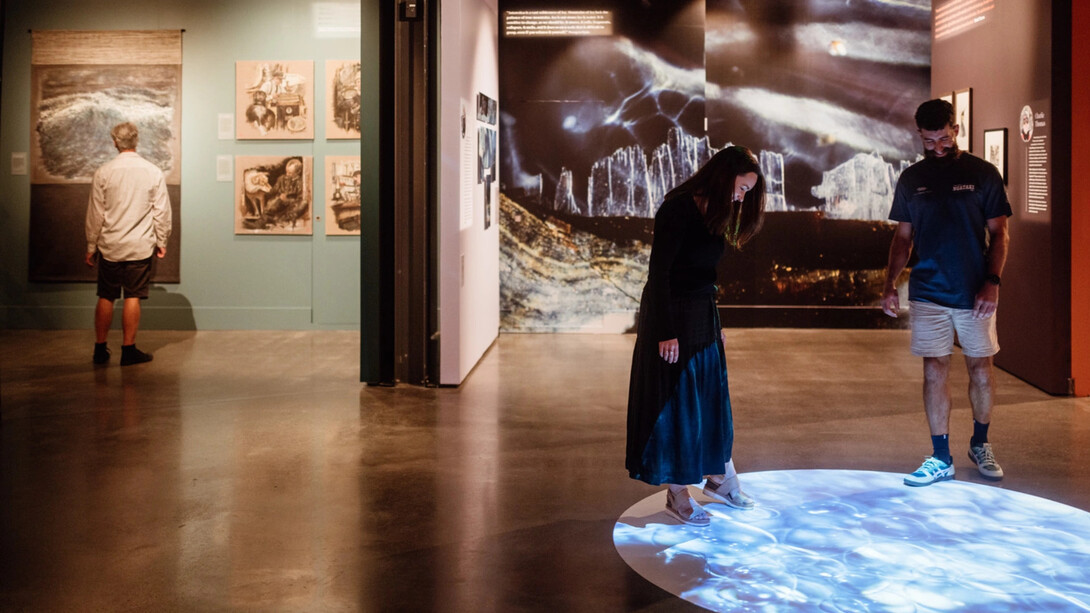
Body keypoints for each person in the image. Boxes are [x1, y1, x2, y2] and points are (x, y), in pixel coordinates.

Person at [625, 145, 766, 526]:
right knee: (678, 407)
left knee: (709, 400)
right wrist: (665, 332)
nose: (741, 197)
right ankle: (678, 494)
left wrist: (714, 325)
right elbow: (661, 275)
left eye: (747, 192)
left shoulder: (718, 212)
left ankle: (719, 478)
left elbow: (706, 277)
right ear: (725, 176)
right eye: (741, 188)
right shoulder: (679, 208)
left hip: (702, 314)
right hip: (672, 315)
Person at [881, 99, 1011, 487]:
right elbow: (903, 238)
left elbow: (1001, 233)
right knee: (934, 370)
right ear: (919, 136)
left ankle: (980, 443)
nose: (937, 146)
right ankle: (940, 456)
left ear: (956, 129)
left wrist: (992, 282)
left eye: (943, 138)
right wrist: (889, 284)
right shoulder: (911, 180)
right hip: (928, 291)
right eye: (929, 140)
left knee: (981, 371)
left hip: (975, 292)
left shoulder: (983, 174)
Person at [85, 122, 172, 366]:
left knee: (106, 295)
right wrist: (161, 239)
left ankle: (100, 350)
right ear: (136, 141)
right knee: (133, 296)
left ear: (115, 142)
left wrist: (91, 246)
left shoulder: (104, 172)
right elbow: (161, 212)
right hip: (139, 245)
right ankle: (128, 350)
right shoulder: (152, 171)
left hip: (110, 245)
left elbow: (96, 214)